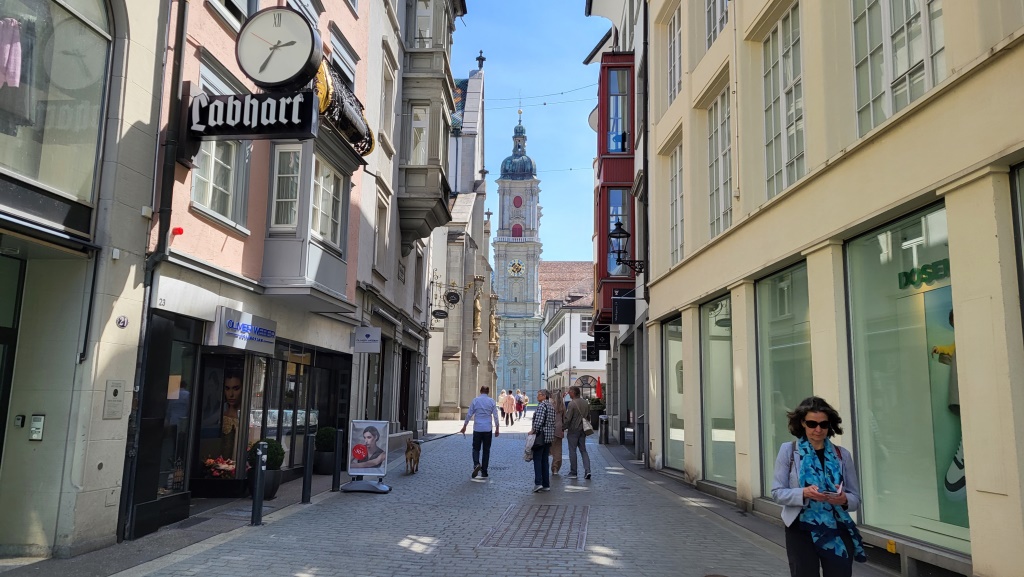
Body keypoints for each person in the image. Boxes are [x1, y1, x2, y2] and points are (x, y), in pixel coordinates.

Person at [772, 396, 867, 577]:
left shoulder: (842, 455)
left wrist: (844, 499)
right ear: (802, 423)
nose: (818, 429)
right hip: (800, 529)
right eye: (812, 424)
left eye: (823, 424)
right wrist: (804, 493)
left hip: (836, 528)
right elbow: (777, 493)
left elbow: (855, 499)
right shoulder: (788, 451)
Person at [460, 385, 500, 479]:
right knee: (486, 450)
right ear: (488, 392)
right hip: (487, 429)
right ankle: (484, 471)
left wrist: (464, 426)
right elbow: (495, 416)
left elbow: (469, 414)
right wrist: (497, 428)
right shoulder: (491, 401)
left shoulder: (475, 400)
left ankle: (476, 464)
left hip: (477, 428)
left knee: (475, 448)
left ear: (480, 391)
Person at [563, 385, 592, 479]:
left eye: (569, 392)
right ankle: (588, 470)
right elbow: (588, 416)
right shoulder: (585, 403)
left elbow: (568, 418)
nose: (568, 393)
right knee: (583, 450)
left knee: (572, 451)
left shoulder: (572, 404)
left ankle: (573, 472)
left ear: (573, 393)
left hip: (573, 430)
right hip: (583, 430)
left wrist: (563, 427)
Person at [530, 389, 555, 492]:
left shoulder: (542, 406)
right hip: (549, 437)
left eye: (539, 395)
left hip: (541, 436)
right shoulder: (551, 406)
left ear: (544, 396)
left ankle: (538, 483)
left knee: (537, 459)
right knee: (545, 460)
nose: (537, 396)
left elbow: (539, 422)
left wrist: (533, 431)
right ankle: (546, 484)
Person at [550, 387, 566, 475]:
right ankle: (555, 468)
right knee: (558, 450)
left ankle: (543, 468)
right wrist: (563, 429)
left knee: (547, 449)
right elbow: (564, 419)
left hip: (549, 430)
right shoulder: (562, 406)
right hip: (559, 430)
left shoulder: (550, 405)